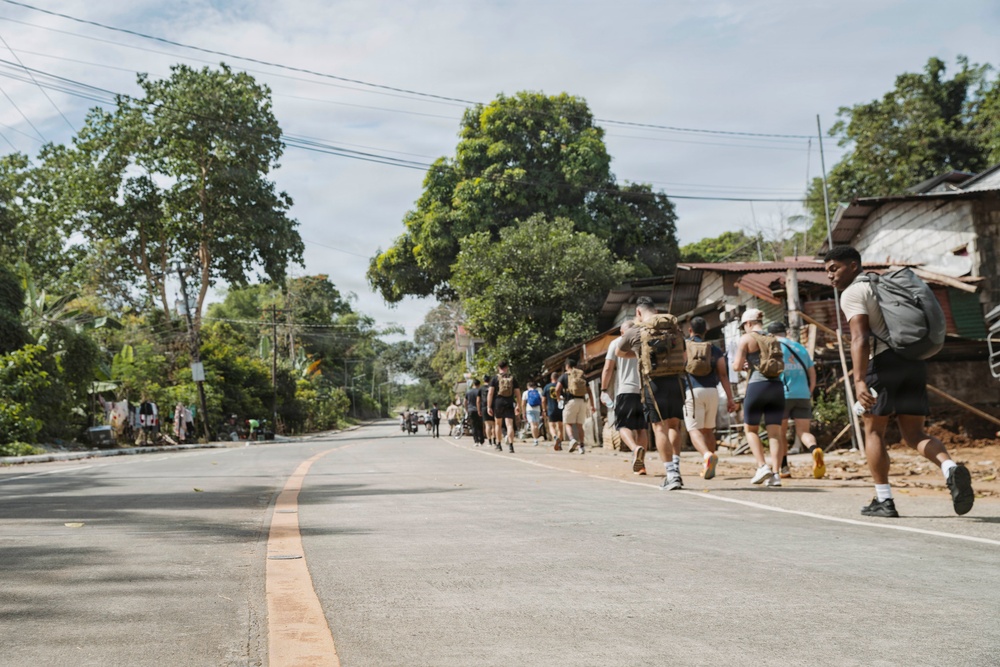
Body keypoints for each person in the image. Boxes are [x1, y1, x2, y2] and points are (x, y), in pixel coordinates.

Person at [825, 245, 974, 518]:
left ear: (853, 266)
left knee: (874, 432)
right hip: (912, 362)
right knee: (914, 435)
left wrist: (859, 380)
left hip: (882, 365)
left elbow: (860, 337)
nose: (830, 276)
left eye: (834, 268)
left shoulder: (853, 292)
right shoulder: (883, 285)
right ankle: (949, 468)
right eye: (827, 271)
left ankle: (884, 499)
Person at [616, 296, 686, 490]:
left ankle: (671, 475)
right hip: (676, 381)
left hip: (653, 384)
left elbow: (619, 353)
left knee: (659, 428)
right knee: (674, 425)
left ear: (638, 312)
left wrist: (639, 353)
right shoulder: (673, 328)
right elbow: (684, 354)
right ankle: (677, 468)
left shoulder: (635, 331)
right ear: (656, 311)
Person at [732, 308, 786, 487]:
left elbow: (737, 366)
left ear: (748, 323)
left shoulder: (747, 339)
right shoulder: (773, 339)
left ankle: (762, 466)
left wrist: (741, 364)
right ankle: (776, 474)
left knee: (751, 430)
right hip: (777, 387)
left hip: (757, 386)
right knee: (775, 433)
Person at [767, 321, 826, 480]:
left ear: (771, 335)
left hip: (782, 395)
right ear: (785, 332)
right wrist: (809, 390)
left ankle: (782, 468)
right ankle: (814, 449)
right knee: (804, 432)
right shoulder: (800, 348)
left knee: (780, 434)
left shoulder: (773, 347)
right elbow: (812, 373)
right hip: (803, 394)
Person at [683, 316, 737, 481]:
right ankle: (710, 460)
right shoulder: (714, 349)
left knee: (693, 429)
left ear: (690, 330)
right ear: (705, 331)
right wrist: (730, 398)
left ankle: (707, 456)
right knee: (708, 430)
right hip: (712, 391)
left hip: (692, 391)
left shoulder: (685, 347)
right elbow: (723, 374)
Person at [601, 320, 649, 474]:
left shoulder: (616, 343)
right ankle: (641, 466)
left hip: (625, 391)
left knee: (622, 426)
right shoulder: (644, 342)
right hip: (643, 390)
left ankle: (635, 449)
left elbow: (608, 368)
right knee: (642, 428)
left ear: (623, 332)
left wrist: (604, 389)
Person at [556, 358, 594, 454]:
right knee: (580, 425)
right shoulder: (582, 376)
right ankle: (581, 447)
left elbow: (557, 389)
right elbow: (589, 391)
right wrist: (592, 405)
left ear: (567, 366)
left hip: (570, 401)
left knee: (568, 423)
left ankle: (572, 440)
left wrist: (558, 398)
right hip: (582, 401)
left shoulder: (564, 376)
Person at [487, 362, 521, 453]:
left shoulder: (495, 378)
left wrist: (489, 406)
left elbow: (490, 393)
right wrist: (518, 405)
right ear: (507, 367)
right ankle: (511, 446)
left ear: (498, 367)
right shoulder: (512, 378)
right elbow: (518, 393)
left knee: (498, 424)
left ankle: (498, 444)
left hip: (498, 402)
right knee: (509, 425)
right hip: (509, 402)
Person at [542, 371, 564, 451]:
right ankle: (560, 444)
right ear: (558, 378)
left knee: (551, 426)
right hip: (560, 408)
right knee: (560, 427)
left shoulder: (547, 387)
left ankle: (555, 437)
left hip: (551, 409)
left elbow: (543, 400)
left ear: (551, 378)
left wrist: (544, 410)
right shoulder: (561, 386)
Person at [521, 381, 545, 446]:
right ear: (534, 386)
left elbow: (523, 404)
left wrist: (523, 413)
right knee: (536, 425)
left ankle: (535, 440)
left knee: (532, 424)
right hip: (537, 410)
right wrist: (543, 410)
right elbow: (542, 401)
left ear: (527, 386)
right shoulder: (538, 392)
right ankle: (536, 438)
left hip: (529, 409)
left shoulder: (525, 393)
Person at [465, 379, 485, 445]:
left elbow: (465, 402)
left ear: (473, 384)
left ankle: (476, 441)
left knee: (473, 426)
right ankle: (481, 440)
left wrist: (467, 409)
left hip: (471, 410)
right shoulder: (480, 391)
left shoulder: (468, 392)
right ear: (479, 384)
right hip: (479, 410)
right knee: (480, 425)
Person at [480, 375, 496, 448]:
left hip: (484, 407)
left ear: (483, 380)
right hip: (493, 406)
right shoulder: (492, 387)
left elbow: (478, 400)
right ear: (489, 380)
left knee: (487, 425)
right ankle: (495, 440)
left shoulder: (481, 388)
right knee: (494, 425)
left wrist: (479, 409)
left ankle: (489, 441)